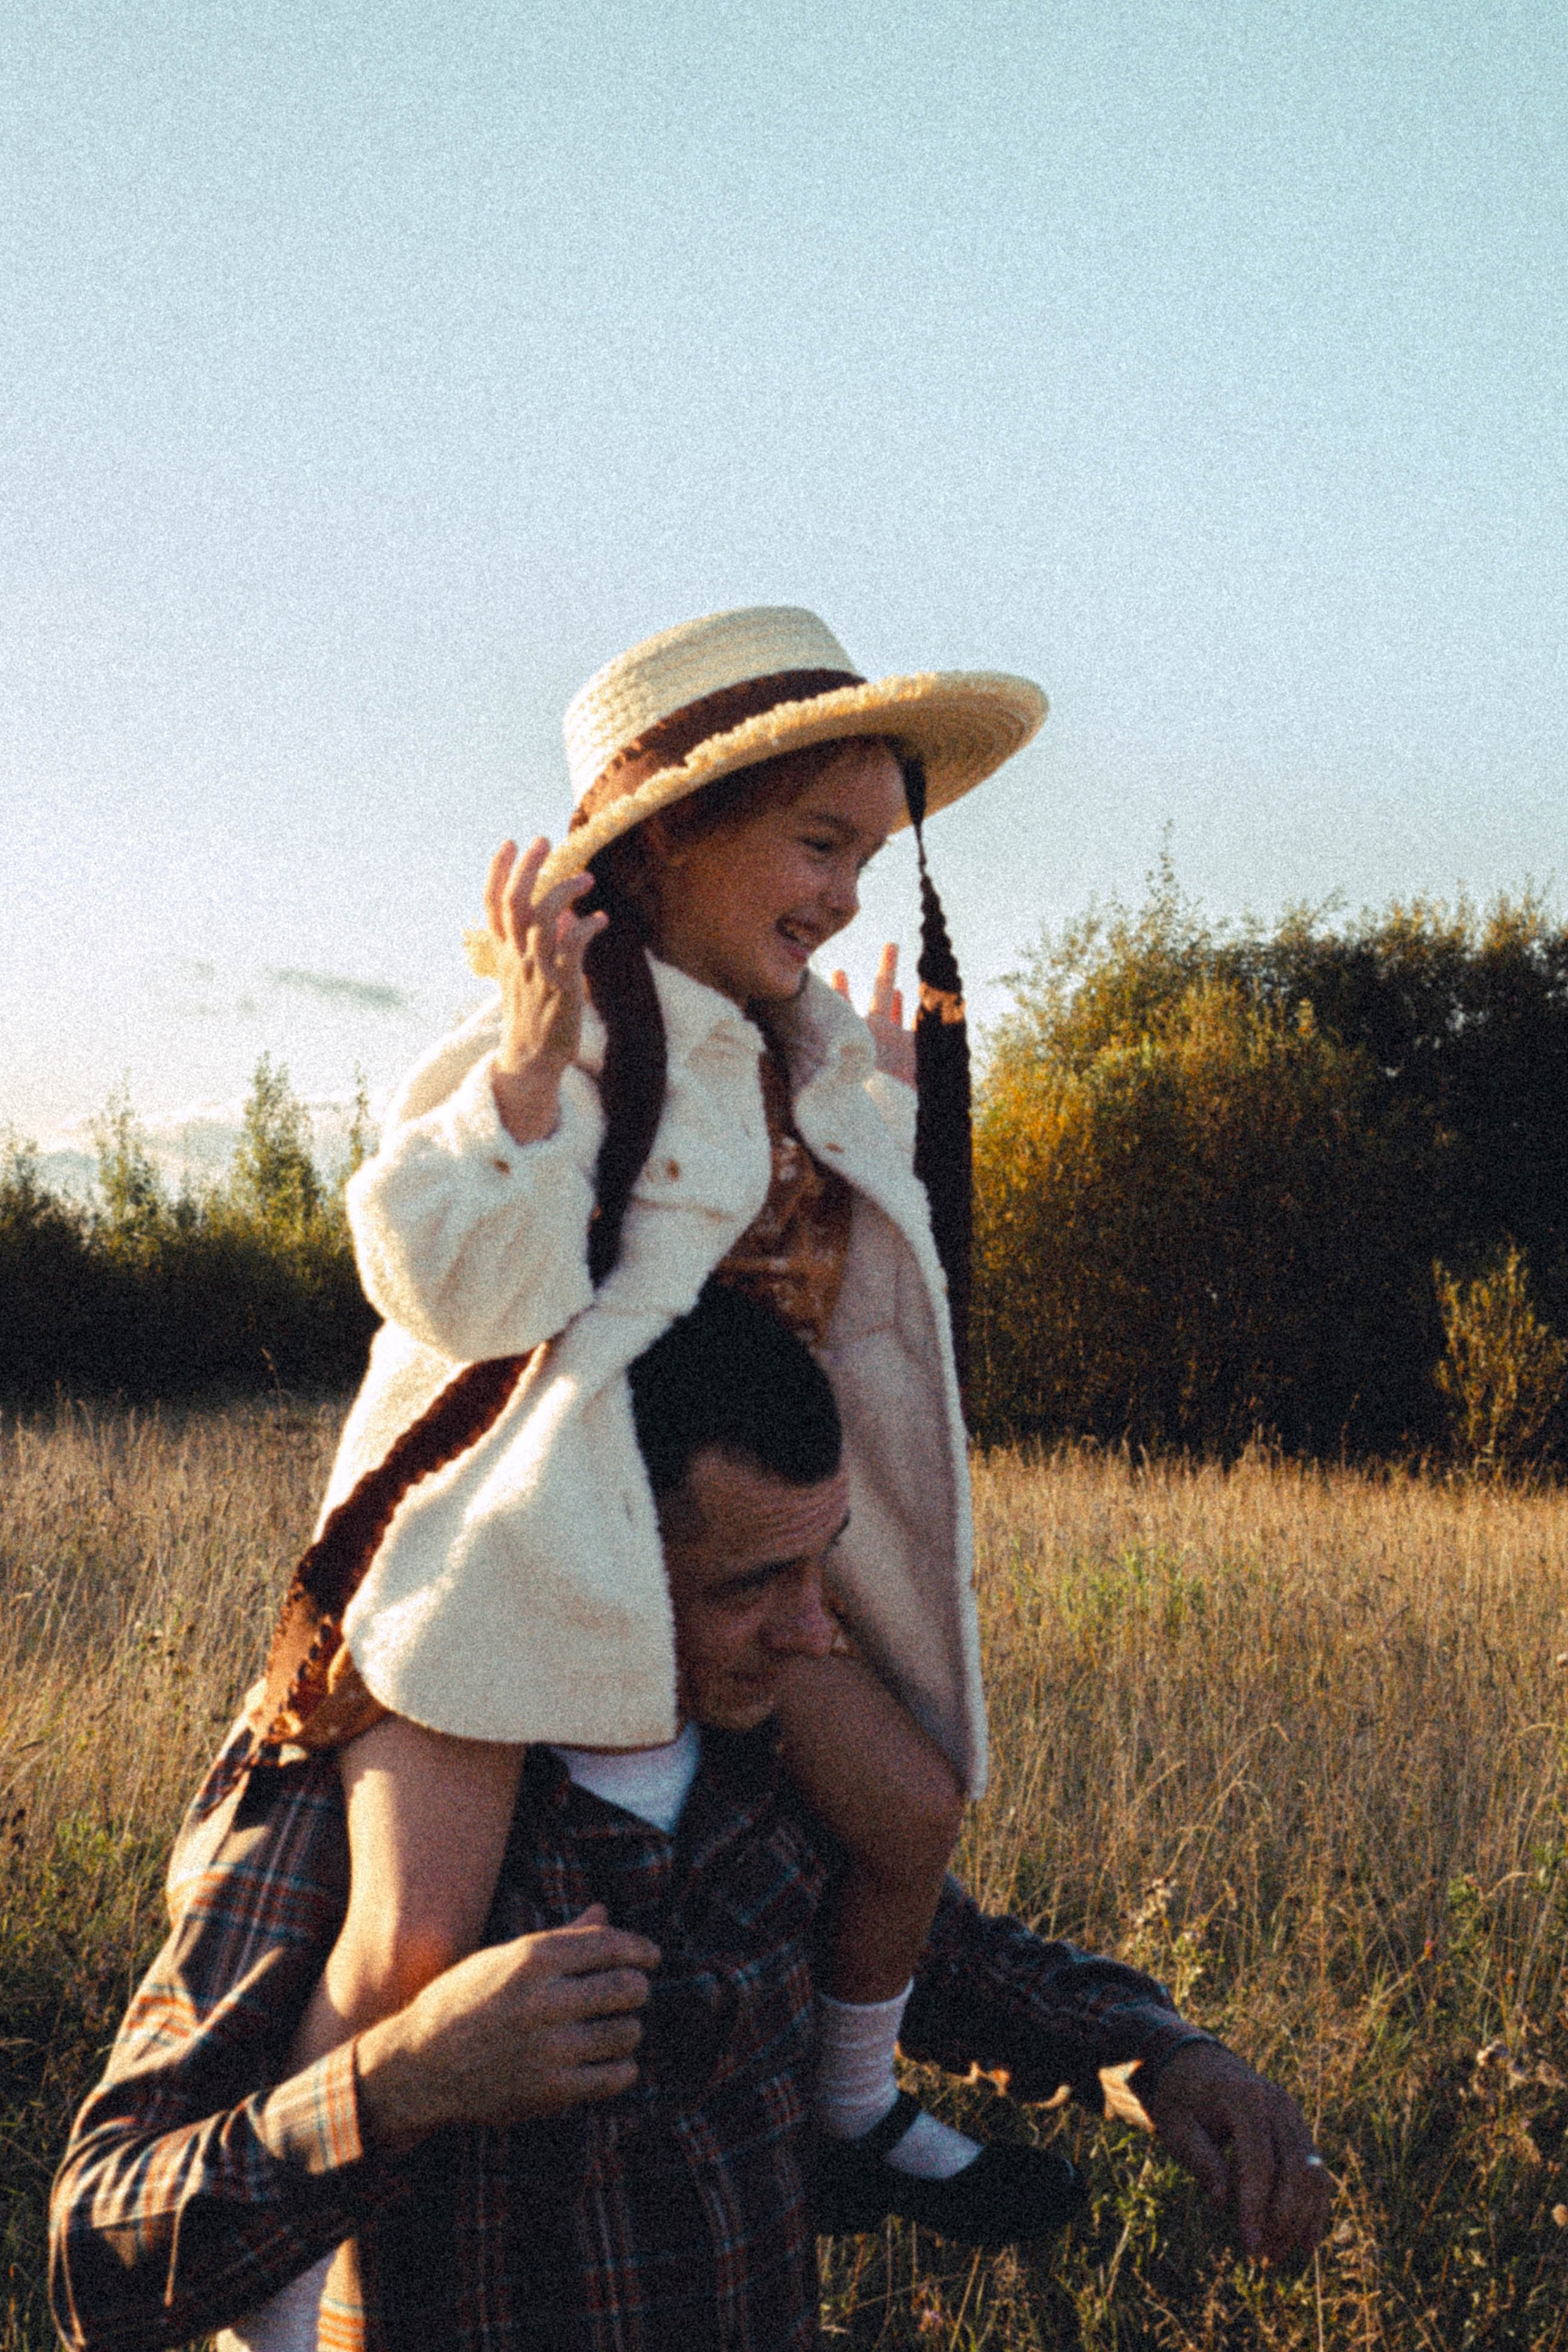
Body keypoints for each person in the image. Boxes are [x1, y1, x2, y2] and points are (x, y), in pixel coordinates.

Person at [50, 1284, 1333, 2352]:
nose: (815, 1627)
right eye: (751, 1583)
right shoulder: (364, 1780)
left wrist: (1165, 2059)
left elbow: (939, 1962)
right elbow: (96, 2255)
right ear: (592, 1560)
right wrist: (400, 2084)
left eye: (820, 1561)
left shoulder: (771, 1755)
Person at [246, 604, 1060, 2239]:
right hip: (503, 1553)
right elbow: (442, 1284)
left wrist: (886, 1115)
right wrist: (532, 1083)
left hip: (715, 1566)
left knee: (911, 1811)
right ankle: (273, 2309)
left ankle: (849, 2111)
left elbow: (841, 1304)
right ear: (671, 837)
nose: (841, 897)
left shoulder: (803, 1064)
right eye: (814, 843)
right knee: (408, 1947)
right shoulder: (557, 1036)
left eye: (865, 856)